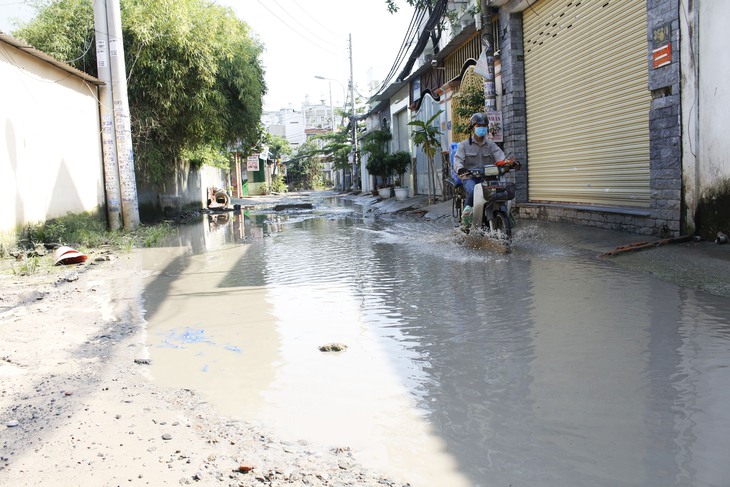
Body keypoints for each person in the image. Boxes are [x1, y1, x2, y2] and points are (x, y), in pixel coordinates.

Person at [453, 113, 507, 210]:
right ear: (473, 127)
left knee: (500, 193)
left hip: (488, 178)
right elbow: (458, 160)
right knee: (472, 191)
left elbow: (500, 157)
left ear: (487, 127)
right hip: (470, 178)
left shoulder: (491, 145)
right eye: (478, 126)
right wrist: (460, 168)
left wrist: (508, 163)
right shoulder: (464, 145)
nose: (481, 128)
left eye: (484, 126)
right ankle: (466, 218)